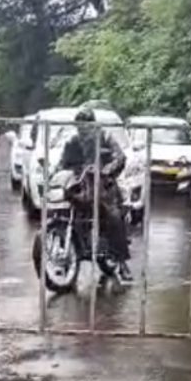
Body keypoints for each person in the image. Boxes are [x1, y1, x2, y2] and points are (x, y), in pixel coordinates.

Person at [58, 106, 133, 284]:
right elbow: (62, 163)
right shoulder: (73, 143)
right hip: (80, 184)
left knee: (113, 216)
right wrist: (53, 172)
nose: (83, 128)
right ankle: (69, 252)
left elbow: (120, 157)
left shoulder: (105, 137)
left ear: (92, 123)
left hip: (103, 185)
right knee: (64, 208)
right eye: (79, 125)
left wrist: (106, 171)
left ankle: (122, 263)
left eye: (86, 124)